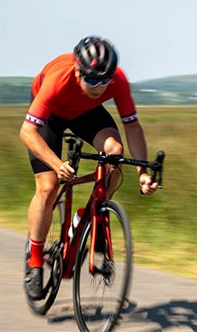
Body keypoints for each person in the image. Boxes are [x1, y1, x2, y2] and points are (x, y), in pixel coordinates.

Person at [20, 36, 158, 300]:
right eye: (92, 80)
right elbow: (27, 132)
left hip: (85, 113)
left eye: (105, 80)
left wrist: (143, 172)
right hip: (51, 116)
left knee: (115, 153)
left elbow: (132, 126)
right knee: (48, 187)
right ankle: (35, 260)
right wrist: (56, 164)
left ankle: (95, 210)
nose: (99, 86)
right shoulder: (58, 80)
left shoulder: (117, 79)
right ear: (77, 71)